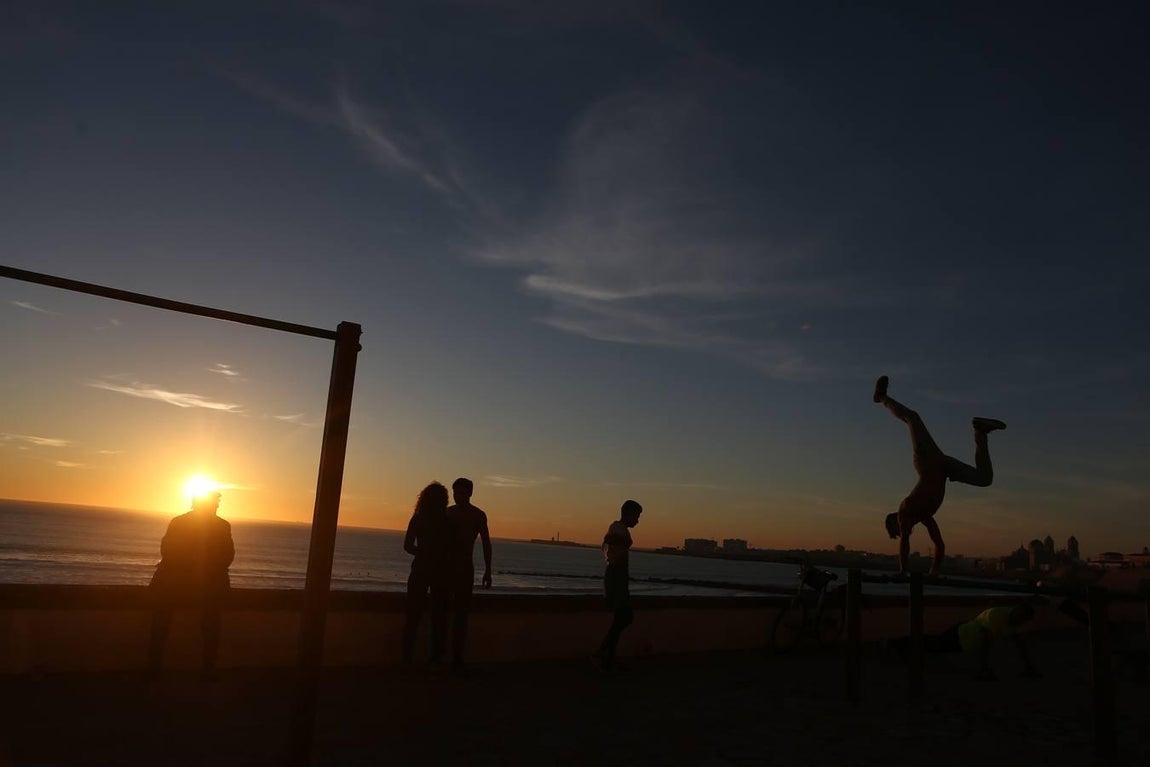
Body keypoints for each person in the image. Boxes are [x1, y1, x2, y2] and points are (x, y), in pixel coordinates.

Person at [874, 375, 1006, 575]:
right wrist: (933, 572)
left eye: (896, 530)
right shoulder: (925, 515)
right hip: (944, 467)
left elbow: (905, 546)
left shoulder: (905, 509)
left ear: (895, 519)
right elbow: (939, 544)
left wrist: (903, 570)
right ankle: (980, 433)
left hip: (927, 462)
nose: (901, 532)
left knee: (913, 418)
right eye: (898, 533)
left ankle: (882, 398)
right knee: (984, 479)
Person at [147, 490, 235, 679]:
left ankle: (154, 667)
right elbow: (227, 556)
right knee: (211, 624)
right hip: (206, 584)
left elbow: (167, 551)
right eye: (215, 504)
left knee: (161, 624)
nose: (217, 507)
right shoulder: (222, 526)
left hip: (176, 582)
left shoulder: (179, 522)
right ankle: (208, 669)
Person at [885, 603, 1039, 680]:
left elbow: (1020, 644)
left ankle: (897, 645)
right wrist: (984, 669)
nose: (1023, 622)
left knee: (930, 643)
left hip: (964, 641)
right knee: (930, 644)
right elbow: (987, 641)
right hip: (961, 636)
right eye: (1023, 618)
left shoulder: (1013, 623)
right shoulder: (997, 615)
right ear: (1018, 613)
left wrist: (1028, 666)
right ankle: (894, 644)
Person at [445, 477, 492, 675]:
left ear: (470, 493)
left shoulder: (478, 515)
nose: (458, 496)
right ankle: (441, 655)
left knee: (461, 615)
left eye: (462, 493)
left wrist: (488, 570)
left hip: (465, 569)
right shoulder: (447, 513)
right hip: (446, 569)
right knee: (443, 612)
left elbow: (486, 543)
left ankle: (457, 657)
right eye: (455, 493)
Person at [401, 482, 452, 666]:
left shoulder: (418, 517)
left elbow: (407, 546)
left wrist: (421, 552)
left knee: (413, 615)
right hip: (440, 571)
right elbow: (451, 548)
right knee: (439, 616)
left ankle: (407, 658)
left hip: (421, 568)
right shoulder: (447, 521)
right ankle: (436, 658)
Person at [591, 499, 643, 672]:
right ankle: (601, 654)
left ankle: (608, 658)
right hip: (616, 577)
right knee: (624, 618)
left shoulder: (618, 529)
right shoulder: (618, 528)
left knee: (620, 619)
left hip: (618, 576)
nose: (637, 520)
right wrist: (624, 542)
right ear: (628, 514)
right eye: (637, 516)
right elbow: (610, 540)